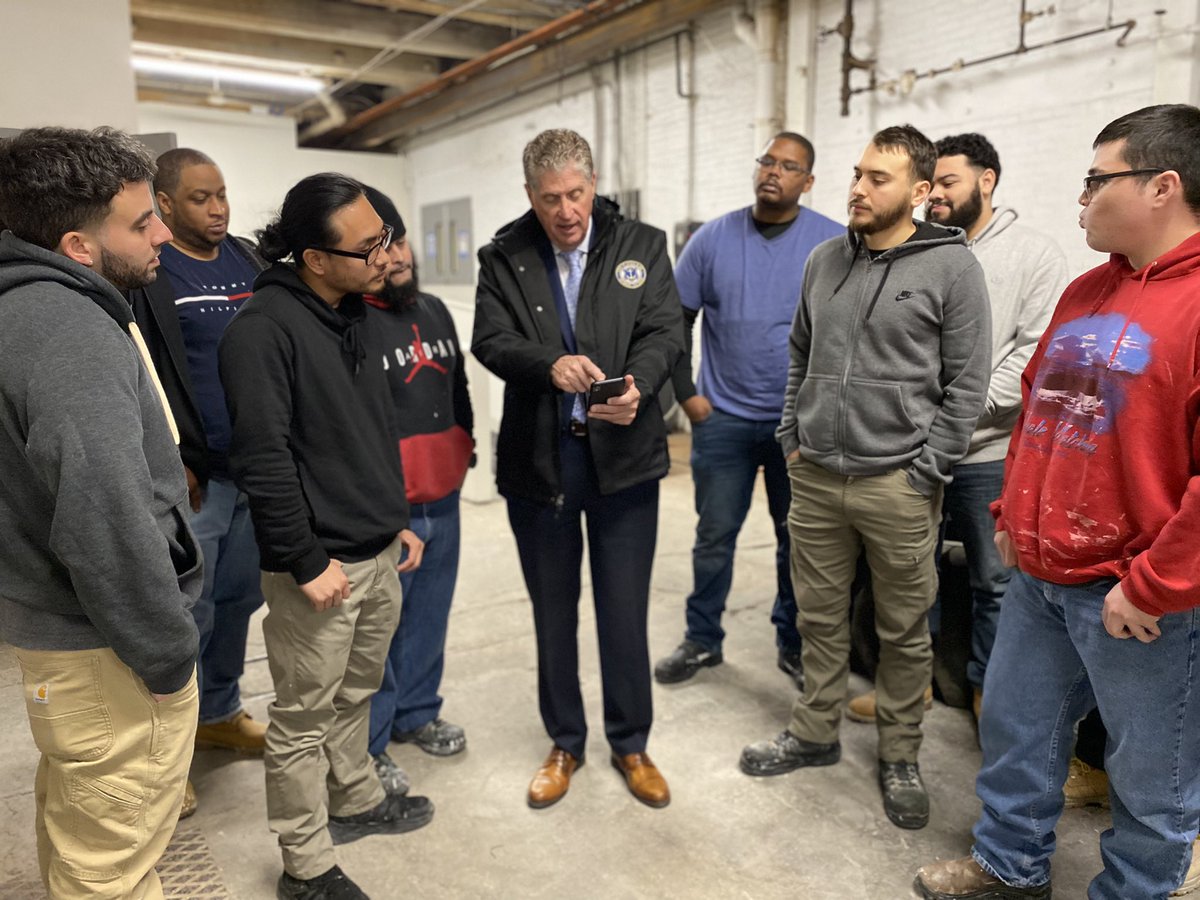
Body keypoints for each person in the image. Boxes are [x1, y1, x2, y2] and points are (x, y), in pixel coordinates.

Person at [913, 103, 1200, 900]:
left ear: (1162, 186)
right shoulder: (1084, 292)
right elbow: (1037, 409)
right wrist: (1010, 515)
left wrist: (1154, 584)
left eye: (1095, 181)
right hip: (1041, 574)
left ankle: (1135, 891)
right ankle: (1010, 866)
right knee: (1017, 736)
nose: (1081, 198)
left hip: (1139, 598)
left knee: (1152, 774)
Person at [739, 124, 991, 832]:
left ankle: (901, 754)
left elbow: (967, 384)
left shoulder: (951, 269)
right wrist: (793, 437)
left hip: (899, 483)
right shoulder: (823, 260)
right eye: (856, 173)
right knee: (819, 618)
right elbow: (799, 354)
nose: (858, 187)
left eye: (878, 178)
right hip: (815, 475)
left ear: (917, 192)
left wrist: (926, 470)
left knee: (902, 629)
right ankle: (814, 732)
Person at [0, 126, 201, 899]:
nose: (163, 233)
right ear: (80, 245)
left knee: (80, 826)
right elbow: (102, 513)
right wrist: (165, 653)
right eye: (143, 222)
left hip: (61, 640)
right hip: (103, 649)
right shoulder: (68, 330)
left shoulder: (25, 307)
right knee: (111, 868)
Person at [219, 173, 432, 900]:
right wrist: (306, 561)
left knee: (357, 692)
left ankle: (357, 799)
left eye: (386, 236)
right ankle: (305, 865)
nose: (387, 254)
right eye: (369, 245)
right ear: (314, 257)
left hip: (375, 547)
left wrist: (394, 514)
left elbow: (367, 431)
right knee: (303, 718)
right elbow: (263, 457)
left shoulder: (357, 314)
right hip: (322, 565)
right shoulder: (262, 331)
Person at [472, 128, 684, 810]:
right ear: (529, 195)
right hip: (542, 464)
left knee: (623, 611)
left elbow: (664, 332)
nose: (566, 211)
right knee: (553, 612)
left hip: (623, 460)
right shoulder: (504, 254)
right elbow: (490, 339)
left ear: (594, 184)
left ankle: (631, 743)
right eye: (550, 198)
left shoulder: (642, 246)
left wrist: (640, 388)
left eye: (577, 194)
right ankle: (565, 741)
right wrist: (549, 365)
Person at [846, 132, 1067, 724]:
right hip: (906, 452)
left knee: (995, 583)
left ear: (986, 180)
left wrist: (953, 416)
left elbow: (1033, 356)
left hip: (986, 454)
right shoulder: (909, 250)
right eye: (930, 185)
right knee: (909, 577)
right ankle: (910, 686)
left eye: (949, 183)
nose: (935, 196)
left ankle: (985, 695)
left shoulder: (1034, 255)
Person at [654, 131, 843, 688]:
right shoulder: (712, 240)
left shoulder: (831, 244)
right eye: (767, 160)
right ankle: (702, 639)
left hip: (798, 426)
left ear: (807, 183)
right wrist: (687, 395)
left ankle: (791, 640)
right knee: (714, 536)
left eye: (788, 166)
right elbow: (673, 322)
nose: (773, 172)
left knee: (796, 540)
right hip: (724, 419)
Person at [129, 148, 268, 818]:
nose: (217, 210)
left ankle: (220, 712)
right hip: (198, 479)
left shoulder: (248, 259)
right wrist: (170, 457)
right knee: (188, 613)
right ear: (163, 202)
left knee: (240, 601)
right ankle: (169, 756)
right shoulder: (153, 274)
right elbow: (143, 374)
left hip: (258, 472)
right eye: (199, 199)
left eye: (221, 195)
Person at [363, 186, 474, 794]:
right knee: (380, 630)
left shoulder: (433, 309)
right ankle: (372, 742)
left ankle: (418, 713)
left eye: (401, 239)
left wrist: (467, 441)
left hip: (445, 494)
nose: (397, 254)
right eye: (383, 246)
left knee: (429, 615)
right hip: (389, 507)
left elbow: (455, 390)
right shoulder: (350, 322)